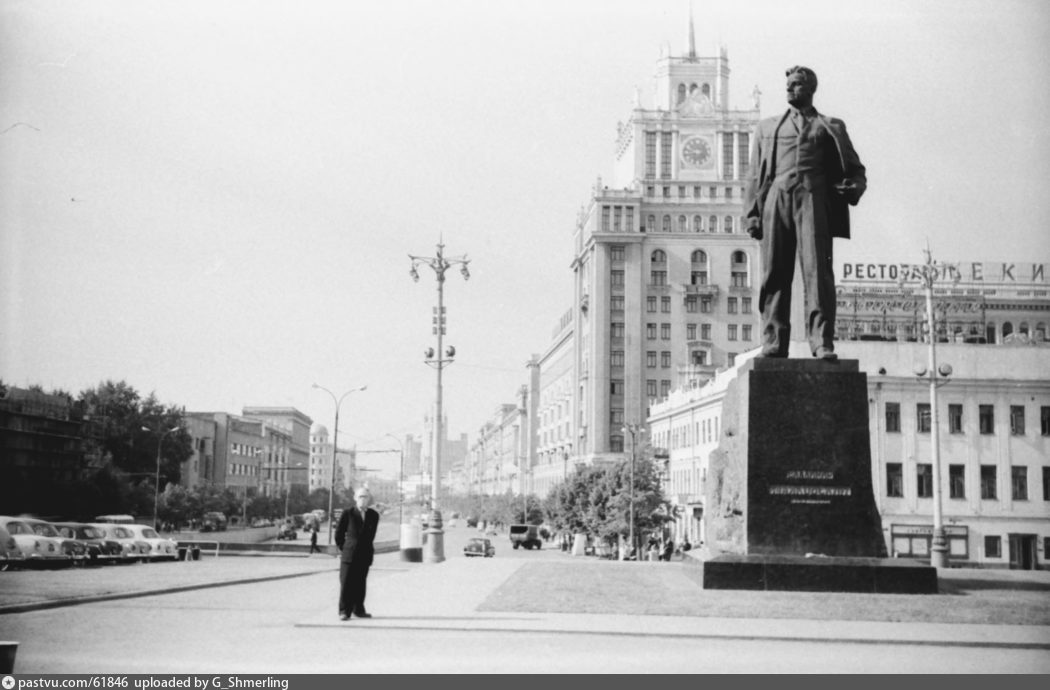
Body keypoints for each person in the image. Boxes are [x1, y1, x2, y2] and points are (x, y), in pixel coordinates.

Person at [744, 66, 867, 360]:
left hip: (814, 200)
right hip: (777, 200)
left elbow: (855, 170)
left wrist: (854, 188)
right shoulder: (767, 128)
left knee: (817, 274)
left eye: (796, 84)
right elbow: (754, 176)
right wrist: (752, 213)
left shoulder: (830, 126)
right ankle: (773, 341)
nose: (789, 89)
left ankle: (822, 342)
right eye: (788, 84)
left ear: (810, 89)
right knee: (774, 273)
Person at [335, 486, 379, 620]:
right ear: (355, 498)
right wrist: (346, 548)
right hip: (349, 554)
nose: (363, 499)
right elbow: (339, 534)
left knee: (360, 583)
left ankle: (358, 609)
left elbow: (371, 535)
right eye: (360, 497)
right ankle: (344, 611)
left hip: (364, 554)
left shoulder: (373, 515)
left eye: (365, 497)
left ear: (369, 499)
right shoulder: (348, 513)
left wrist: (368, 550)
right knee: (346, 583)